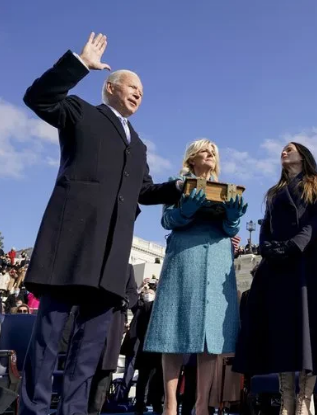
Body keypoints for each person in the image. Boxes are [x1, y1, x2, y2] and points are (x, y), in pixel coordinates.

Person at [19, 33, 182, 415]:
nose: (140, 93)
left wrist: (177, 187)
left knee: (89, 348)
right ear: (110, 86)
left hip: (111, 254)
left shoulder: (138, 144)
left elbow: (143, 190)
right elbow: (38, 98)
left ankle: (73, 410)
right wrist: (79, 64)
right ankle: (34, 409)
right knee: (48, 337)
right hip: (71, 241)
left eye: (143, 90)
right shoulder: (79, 112)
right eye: (133, 86)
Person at [234, 142, 317, 415]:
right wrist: (267, 247)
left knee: (308, 328)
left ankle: (305, 399)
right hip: (277, 265)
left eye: (290, 148)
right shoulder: (274, 192)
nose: (284, 151)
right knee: (281, 330)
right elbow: (265, 224)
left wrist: (295, 245)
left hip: (305, 261)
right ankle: (286, 397)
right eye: (282, 149)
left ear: (303, 155)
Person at [143, 139, 247, 415]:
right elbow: (167, 221)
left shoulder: (226, 190)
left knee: (211, 336)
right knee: (173, 329)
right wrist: (185, 210)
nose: (210, 154)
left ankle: (202, 404)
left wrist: (234, 217)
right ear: (191, 158)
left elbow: (229, 228)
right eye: (204, 150)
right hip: (184, 259)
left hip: (217, 260)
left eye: (214, 151)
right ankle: (170, 404)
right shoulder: (176, 184)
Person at [87, 265, 139, 415]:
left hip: (113, 323)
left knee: (104, 372)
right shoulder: (95, 260)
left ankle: (94, 411)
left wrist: (126, 301)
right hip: (89, 321)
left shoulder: (127, 268)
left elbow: (132, 293)